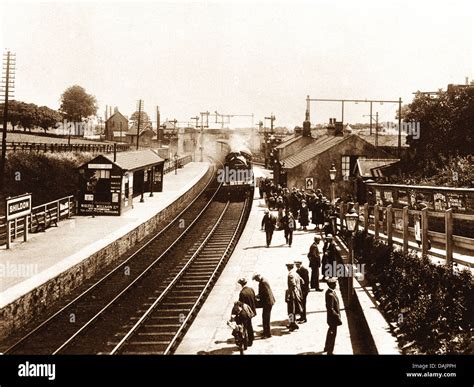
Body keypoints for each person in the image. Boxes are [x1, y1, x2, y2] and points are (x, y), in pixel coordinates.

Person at [252, 273, 275, 338]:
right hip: (268, 302)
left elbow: (265, 293)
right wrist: (258, 296)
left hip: (267, 303)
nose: (256, 280)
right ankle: (266, 331)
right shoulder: (263, 280)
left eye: (256, 279)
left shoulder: (263, 282)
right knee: (265, 317)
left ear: (258, 277)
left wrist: (257, 298)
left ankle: (267, 334)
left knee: (266, 318)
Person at [324, 278, 342, 355]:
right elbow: (331, 309)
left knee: (330, 332)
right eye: (334, 283)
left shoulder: (329, 292)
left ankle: (327, 347)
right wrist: (337, 316)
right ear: (331, 284)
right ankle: (330, 351)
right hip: (333, 318)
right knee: (332, 334)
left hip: (331, 318)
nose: (336, 285)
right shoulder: (330, 295)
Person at [285, 262, 303, 331]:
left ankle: (292, 324)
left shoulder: (290, 275)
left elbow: (293, 285)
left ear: (288, 267)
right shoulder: (296, 273)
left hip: (292, 294)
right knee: (294, 310)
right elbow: (302, 281)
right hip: (297, 293)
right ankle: (293, 323)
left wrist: (289, 294)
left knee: (290, 310)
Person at [238, 278, 256, 346]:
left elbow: (241, 303)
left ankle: (249, 341)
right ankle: (251, 338)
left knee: (247, 326)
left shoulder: (242, 293)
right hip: (252, 310)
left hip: (246, 312)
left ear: (241, 284)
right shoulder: (251, 289)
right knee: (250, 325)